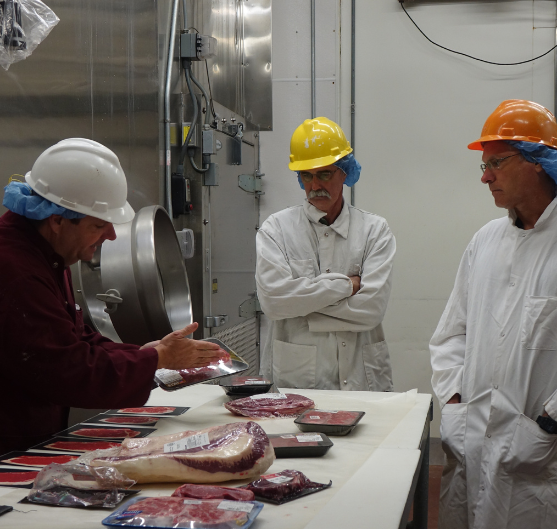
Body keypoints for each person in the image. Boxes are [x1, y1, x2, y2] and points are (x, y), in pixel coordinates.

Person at [430, 99, 557, 529]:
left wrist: (554, 424)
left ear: (538, 161)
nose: (484, 177)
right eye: (484, 164)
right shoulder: (485, 242)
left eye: (496, 163)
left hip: (548, 452)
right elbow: (452, 334)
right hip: (474, 440)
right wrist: (452, 405)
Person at [0, 138, 222, 456]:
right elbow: (68, 370)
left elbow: (76, 337)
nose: (111, 235)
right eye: (99, 225)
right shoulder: (14, 269)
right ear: (58, 220)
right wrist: (157, 359)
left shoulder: (47, 252)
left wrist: (146, 353)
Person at [256, 117, 395, 391]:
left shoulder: (374, 231)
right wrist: (347, 285)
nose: (315, 184)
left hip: (361, 378)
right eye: (306, 175)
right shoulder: (277, 229)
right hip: (297, 381)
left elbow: (370, 311)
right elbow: (273, 302)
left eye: (325, 174)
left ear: (345, 172)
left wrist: (301, 308)